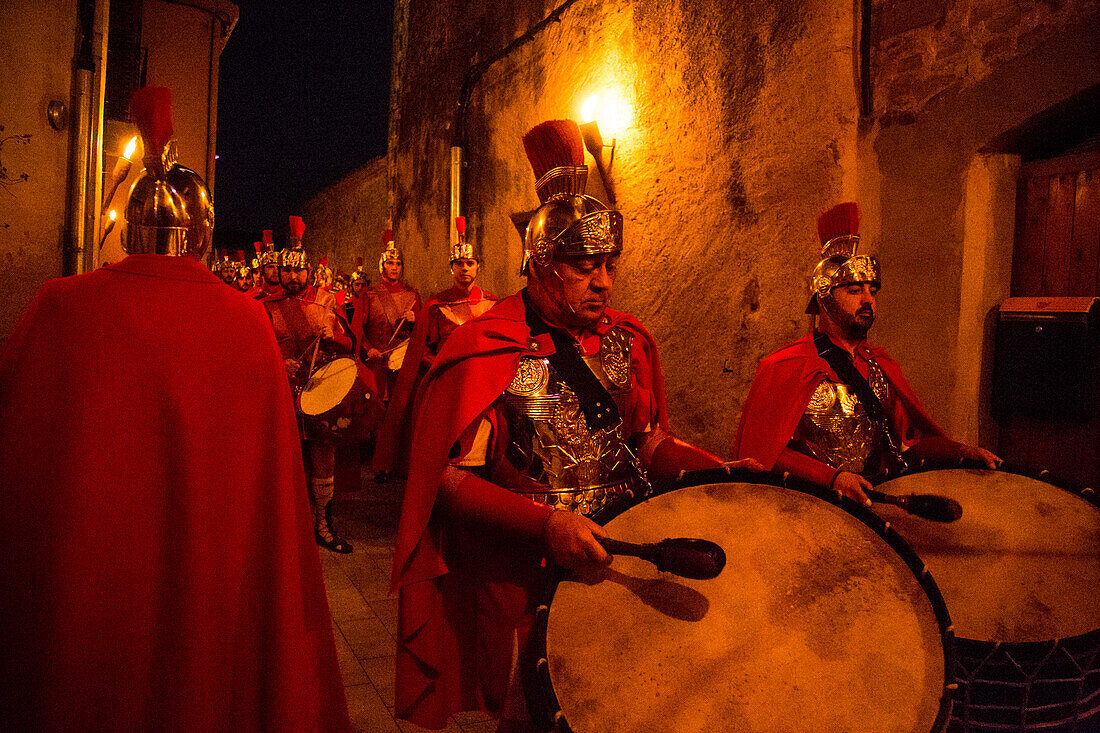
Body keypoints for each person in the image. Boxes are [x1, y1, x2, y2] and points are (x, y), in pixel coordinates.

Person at [0, 85, 349, 732]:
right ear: (202, 233)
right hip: (206, 604)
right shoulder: (245, 321)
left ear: (128, 227)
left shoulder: (57, 305)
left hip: (82, 613)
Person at [391, 119, 760, 730]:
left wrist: (714, 470)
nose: (605, 281)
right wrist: (548, 524)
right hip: (529, 579)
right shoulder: (488, 349)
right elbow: (450, 483)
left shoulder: (626, 343)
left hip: (623, 556)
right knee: (535, 718)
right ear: (542, 263)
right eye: (586, 265)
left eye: (608, 264)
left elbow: (650, 444)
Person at [734, 201, 998, 505]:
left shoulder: (879, 367)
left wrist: (962, 453)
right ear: (824, 297)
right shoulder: (787, 366)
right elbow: (761, 456)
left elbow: (908, 444)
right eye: (854, 290)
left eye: (872, 289)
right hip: (804, 508)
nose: (868, 299)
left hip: (869, 509)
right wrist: (831, 478)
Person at [370, 215, 498, 481]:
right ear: (452, 268)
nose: (465, 268)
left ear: (478, 267)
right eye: (459, 263)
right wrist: (444, 365)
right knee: (447, 465)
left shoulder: (491, 304)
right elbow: (423, 350)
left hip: (483, 391)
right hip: (447, 388)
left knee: (485, 459)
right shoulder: (435, 306)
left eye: (470, 263)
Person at [262, 215, 358, 553]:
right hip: (282, 392)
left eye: (298, 271)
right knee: (284, 460)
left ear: (307, 272)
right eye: (287, 271)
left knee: (323, 457)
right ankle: (286, 526)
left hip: (319, 392)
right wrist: (278, 362)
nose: (292, 276)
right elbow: (255, 352)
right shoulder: (264, 306)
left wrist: (333, 337)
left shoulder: (326, 302)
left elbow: (350, 345)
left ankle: (323, 524)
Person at [350, 231, 421, 403]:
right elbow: (357, 330)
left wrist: (415, 320)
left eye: (398, 263)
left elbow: (422, 334)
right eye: (390, 263)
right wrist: (368, 349)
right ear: (382, 266)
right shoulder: (369, 295)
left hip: (403, 365)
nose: (395, 267)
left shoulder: (412, 295)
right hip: (376, 362)